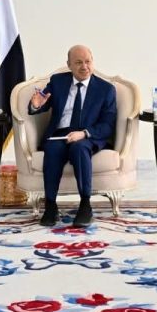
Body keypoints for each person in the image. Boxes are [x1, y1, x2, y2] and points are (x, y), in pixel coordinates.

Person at [28, 45, 117, 227]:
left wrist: (83, 134)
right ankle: (50, 206)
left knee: (79, 148)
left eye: (88, 61)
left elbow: (108, 125)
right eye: (78, 62)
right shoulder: (58, 81)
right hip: (60, 134)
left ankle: (85, 205)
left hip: (88, 135)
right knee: (52, 149)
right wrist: (36, 105)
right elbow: (43, 102)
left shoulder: (106, 89)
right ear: (69, 65)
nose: (84, 66)